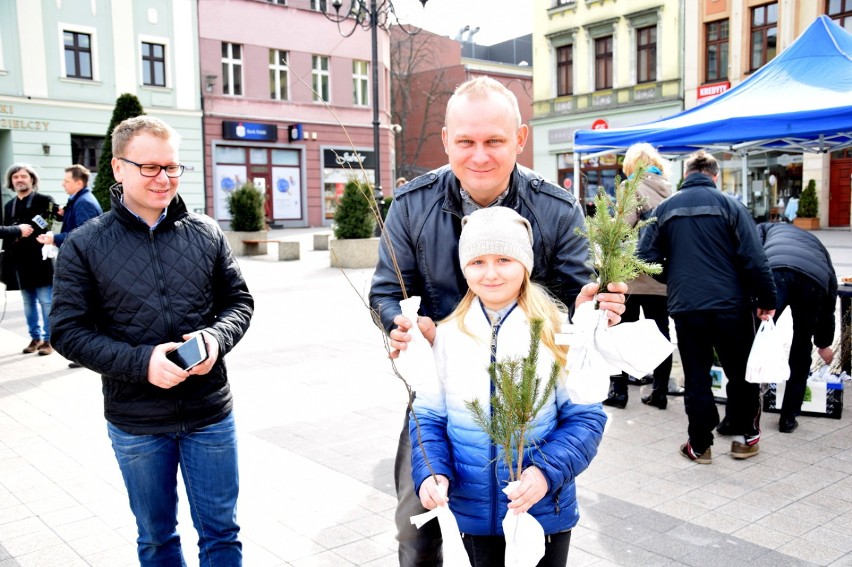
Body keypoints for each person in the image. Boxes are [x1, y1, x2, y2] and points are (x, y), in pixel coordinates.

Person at [369, 75, 627, 566]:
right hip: (445, 392)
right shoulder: (412, 205)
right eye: (465, 141)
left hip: (530, 399)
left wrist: (600, 309)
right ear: (447, 140)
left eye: (495, 141)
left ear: (520, 139)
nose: (479, 156)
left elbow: (581, 296)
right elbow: (387, 290)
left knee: (526, 517)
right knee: (417, 527)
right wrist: (402, 324)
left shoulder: (555, 207)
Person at [50, 116, 254, 565]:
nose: (164, 178)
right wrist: (141, 362)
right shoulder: (84, 244)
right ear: (118, 168)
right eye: (150, 167)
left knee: (222, 534)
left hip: (209, 413)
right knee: (157, 538)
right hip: (136, 421)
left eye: (172, 167)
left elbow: (239, 302)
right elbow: (66, 331)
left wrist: (216, 339)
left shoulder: (205, 232)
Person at [412, 207, 607, 565]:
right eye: (477, 262)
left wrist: (545, 472)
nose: (490, 274)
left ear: (525, 265)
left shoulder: (557, 330)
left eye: (504, 259)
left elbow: (586, 416)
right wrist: (431, 472)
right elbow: (427, 417)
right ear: (463, 267)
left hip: (542, 512)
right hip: (470, 516)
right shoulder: (448, 336)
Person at [638, 150, 776, 464]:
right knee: (741, 375)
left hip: (687, 308)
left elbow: (643, 258)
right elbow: (756, 260)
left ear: (686, 175)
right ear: (714, 176)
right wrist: (768, 301)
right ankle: (744, 439)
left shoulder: (665, 208)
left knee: (697, 377)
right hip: (732, 306)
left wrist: (674, 277)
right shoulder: (731, 206)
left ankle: (700, 446)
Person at [603, 143, 674, 410]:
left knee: (621, 330)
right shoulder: (668, 190)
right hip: (661, 276)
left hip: (631, 276)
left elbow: (622, 228)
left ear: (632, 164)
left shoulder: (631, 188)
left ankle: (619, 392)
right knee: (662, 333)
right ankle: (660, 392)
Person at [756, 222, 836, 433]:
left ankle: (742, 409)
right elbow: (831, 294)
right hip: (813, 279)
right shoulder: (815, 244)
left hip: (777, 272)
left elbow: (752, 255)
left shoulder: (764, 229)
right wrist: (823, 343)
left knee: (754, 337)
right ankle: (788, 418)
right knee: (802, 344)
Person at [1, 163, 57, 355]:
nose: (19, 180)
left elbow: (49, 223)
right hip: (19, 262)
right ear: (11, 182)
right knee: (28, 302)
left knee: (46, 301)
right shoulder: (9, 205)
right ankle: (35, 338)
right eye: (15, 177)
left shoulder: (45, 200)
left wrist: (27, 228)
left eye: (23, 176)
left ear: (32, 179)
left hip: (40, 260)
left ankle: (49, 341)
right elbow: (8, 231)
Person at [36, 164, 103, 248]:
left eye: (66, 181)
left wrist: (54, 238)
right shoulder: (79, 199)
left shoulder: (84, 203)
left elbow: (84, 235)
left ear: (79, 183)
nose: (62, 184)